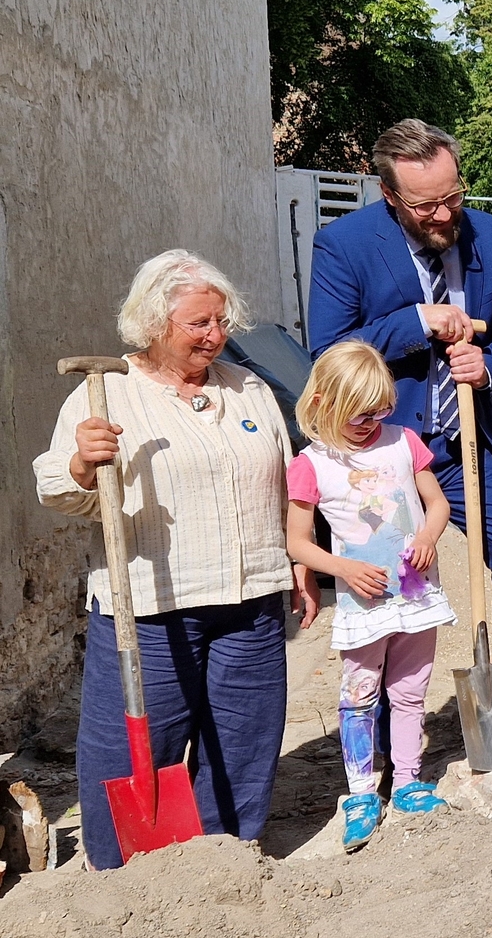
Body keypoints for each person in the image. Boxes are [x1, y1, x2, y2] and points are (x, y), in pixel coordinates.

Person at [35, 250, 314, 870]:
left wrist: (298, 560)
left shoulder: (249, 389)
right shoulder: (109, 394)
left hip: (252, 600)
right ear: (154, 323)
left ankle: (227, 865)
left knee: (243, 744)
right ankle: (124, 876)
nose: (215, 335)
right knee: (134, 748)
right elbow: (57, 489)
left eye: (221, 321)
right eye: (199, 324)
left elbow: (285, 481)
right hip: (151, 607)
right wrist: (82, 464)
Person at [307, 118, 492, 748]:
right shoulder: (343, 245)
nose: (444, 214)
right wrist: (415, 321)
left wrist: (489, 365)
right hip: (383, 454)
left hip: (464, 442)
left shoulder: (491, 234)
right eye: (425, 205)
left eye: (452, 196)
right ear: (389, 194)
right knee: (389, 579)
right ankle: (381, 726)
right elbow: (329, 351)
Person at [285, 340, 456, 850]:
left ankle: (406, 780)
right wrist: (342, 569)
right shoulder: (312, 464)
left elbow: (437, 504)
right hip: (364, 606)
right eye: (358, 414)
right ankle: (360, 792)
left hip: (416, 598)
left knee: (410, 692)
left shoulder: (404, 442)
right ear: (323, 403)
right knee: (359, 696)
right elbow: (298, 541)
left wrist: (428, 536)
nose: (370, 423)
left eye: (379, 411)